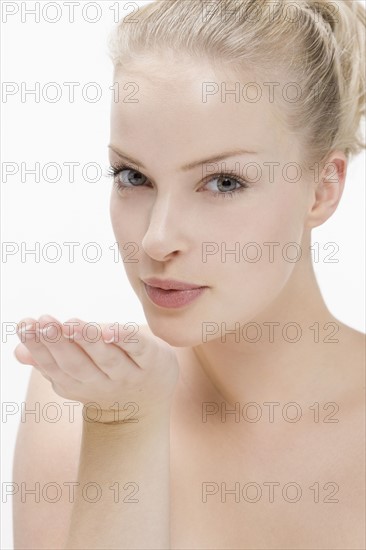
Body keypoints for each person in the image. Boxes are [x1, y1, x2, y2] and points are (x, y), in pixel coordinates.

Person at [13, 0, 365, 548]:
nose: (157, 238)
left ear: (324, 187)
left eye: (223, 182)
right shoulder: (79, 403)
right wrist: (123, 425)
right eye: (133, 175)